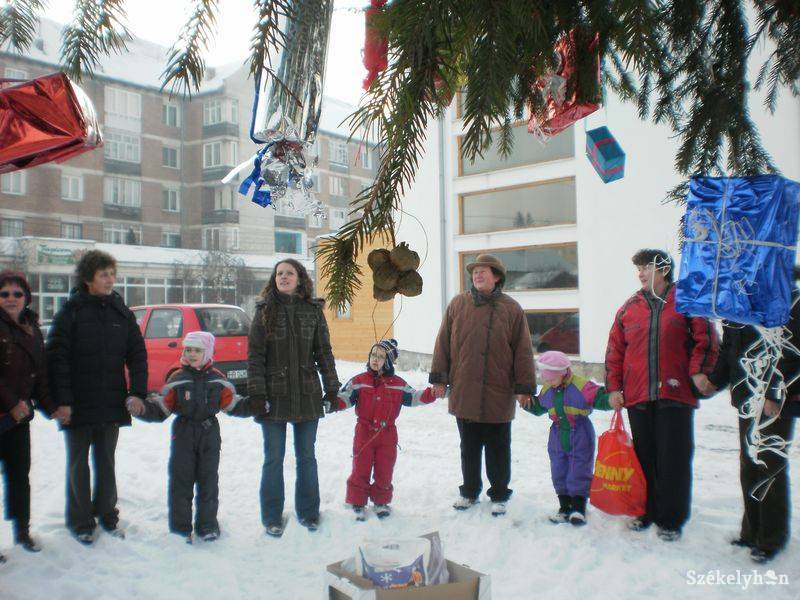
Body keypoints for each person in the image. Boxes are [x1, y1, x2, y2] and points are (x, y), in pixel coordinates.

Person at [605, 248, 718, 541]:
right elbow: (615, 351)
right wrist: (614, 387)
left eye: (647, 268)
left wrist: (697, 373)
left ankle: (670, 519)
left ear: (664, 270)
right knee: (644, 459)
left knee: (674, 459)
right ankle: (644, 511)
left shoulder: (686, 300)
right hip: (639, 395)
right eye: (639, 269)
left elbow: (705, 339)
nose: (641, 273)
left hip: (674, 393)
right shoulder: (629, 307)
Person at [46, 250, 148, 545]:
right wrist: (62, 401)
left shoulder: (121, 311)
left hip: (111, 401)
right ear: (89, 278)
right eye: (104, 274)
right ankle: (80, 521)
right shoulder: (71, 312)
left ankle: (107, 514)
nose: (110, 280)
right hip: (77, 404)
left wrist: (137, 393)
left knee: (106, 461)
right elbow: (58, 359)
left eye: (112, 274)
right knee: (78, 463)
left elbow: (137, 354)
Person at [700, 274, 800, 563]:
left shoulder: (785, 296)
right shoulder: (737, 299)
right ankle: (751, 530)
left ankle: (771, 538)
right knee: (749, 464)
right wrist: (715, 381)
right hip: (746, 395)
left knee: (769, 465)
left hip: (772, 400)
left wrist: (774, 392)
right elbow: (729, 348)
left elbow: (790, 350)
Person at [430, 254, 536, 516]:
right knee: (469, 446)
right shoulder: (458, 304)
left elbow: (523, 351)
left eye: (483, 271)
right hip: (464, 388)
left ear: (497, 276)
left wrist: (524, 388)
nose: (477, 275)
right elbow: (443, 343)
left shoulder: (512, 309)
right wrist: (439, 378)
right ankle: (469, 491)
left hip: (498, 391)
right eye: (475, 272)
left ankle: (499, 494)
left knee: (498, 447)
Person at [247, 259, 340, 537]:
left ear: (300, 278)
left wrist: (332, 388)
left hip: (307, 394)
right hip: (273, 397)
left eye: (289, 273)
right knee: (273, 458)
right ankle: (272, 517)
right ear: (273, 279)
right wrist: (256, 393)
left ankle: (309, 513)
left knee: (306, 458)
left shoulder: (312, 311)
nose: (284, 277)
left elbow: (324, 352)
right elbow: (255, 357)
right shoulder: (264, 311)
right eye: (279, 273)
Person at [133, 331, 242, 543]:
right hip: (183, 433)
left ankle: (207, 525)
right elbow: (161, 408)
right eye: (188, 349)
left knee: (208, 480)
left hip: (210, 434)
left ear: (207, 352)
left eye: (197, 350)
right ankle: (180, 528)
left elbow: (233, 404)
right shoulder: (177, 379)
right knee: (181, 481)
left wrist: (257, 405)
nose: (192, 354)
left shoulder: (218, 380)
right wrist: (142, 409)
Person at [330, 339, 436, 521]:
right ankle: (358, 501)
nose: (375, 360)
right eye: (373, 355)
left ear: (388, 361)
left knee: (384, 469)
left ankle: (381, 501)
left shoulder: (397, 383)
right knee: (360, 467)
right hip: (364, 432)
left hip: (387, 435)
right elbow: (345, 398)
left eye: (380, 357)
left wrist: (432, 393)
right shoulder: (359, 381)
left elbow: (415, 397)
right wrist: (332, 403)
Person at [0, 271, 64, 562]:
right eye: (5, 294)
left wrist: (53, 408)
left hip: (18, 420)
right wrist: (12, 403)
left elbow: (41, 377)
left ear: (27, 298)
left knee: (19, 476)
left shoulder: (32, 329)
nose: (11, 299)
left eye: (17, 294)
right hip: (6, 412)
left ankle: (22, 531)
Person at [523, 350, 613, 526]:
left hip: (580, 433)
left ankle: (578, 508)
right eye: (546, 379)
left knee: (579, 469)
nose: (548, 382)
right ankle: (564, 507)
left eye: (551, 379)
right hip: (557, 434)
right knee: (559, 469)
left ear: (563, 373)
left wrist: (611, 400)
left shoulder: (581, 386)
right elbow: (540, 406)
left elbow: (599, 397)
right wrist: (526, 402)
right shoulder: (548, 389)